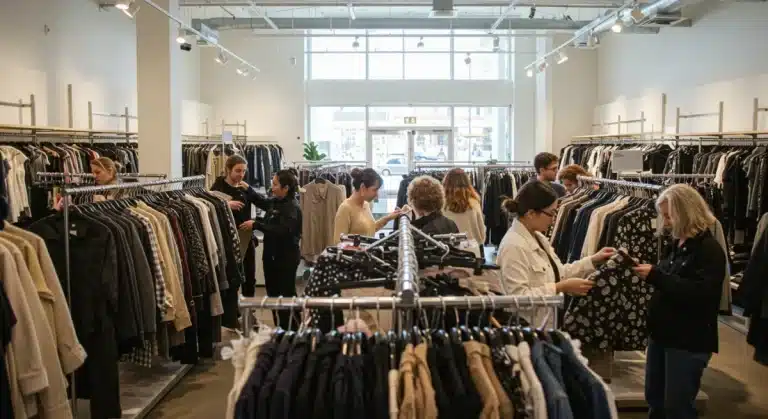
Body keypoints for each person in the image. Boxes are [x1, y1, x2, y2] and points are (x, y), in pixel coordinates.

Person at [632, 184, 725, 419]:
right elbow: (669, 281)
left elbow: (700, 294)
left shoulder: (708, 250)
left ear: (685, 212)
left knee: (677, 407)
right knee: (655, 399)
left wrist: (656, 276)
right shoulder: (678, 244)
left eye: (668, 215)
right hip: (663, 335)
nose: (665, 221)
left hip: (687, 340)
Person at [496, 181, 615, 317]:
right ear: (531, 213)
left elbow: (559, 272)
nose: (553, 220)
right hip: (530, 329)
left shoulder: (538, 237)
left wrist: (592, 261)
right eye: (551, 214)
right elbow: (517, 299)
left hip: (547, 322)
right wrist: (560, 287)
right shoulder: (513, 246)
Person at [333, 168, 401, 241]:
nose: (377, 195)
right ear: (362, 187)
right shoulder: (345, 208)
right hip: (355, 252)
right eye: (375, 190)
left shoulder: (366, 204)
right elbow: (338, 242)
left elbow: (370, 229)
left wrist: (389, 217)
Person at [442, 168, 486, 256]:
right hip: (471, 252)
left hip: (448, 252)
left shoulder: (441, 204)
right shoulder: (474, 203)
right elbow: (481, 233)